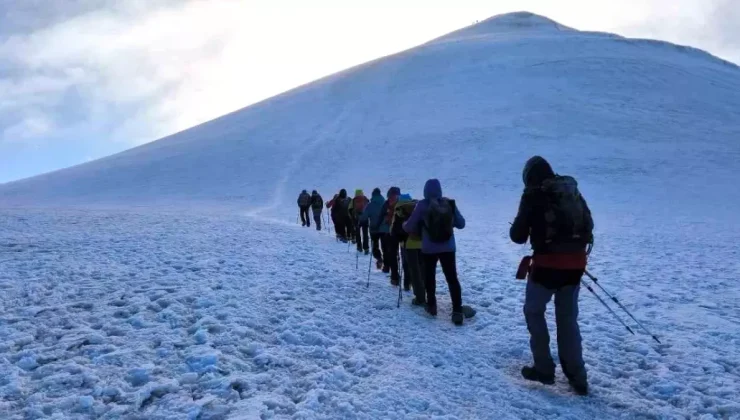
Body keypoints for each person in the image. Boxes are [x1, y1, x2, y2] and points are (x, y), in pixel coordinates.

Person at [509, 155, 593, 396]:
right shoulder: (570, 189)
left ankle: (544, 368)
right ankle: (578, 376)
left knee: (534, 311)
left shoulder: (533, 194)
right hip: (575, 265)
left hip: (546, 266)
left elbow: (517, 235)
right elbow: (589, 224)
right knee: (567, 319)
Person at [403, 179, 466, 325]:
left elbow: (410, 226)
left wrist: (404, 224)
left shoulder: (421, 205)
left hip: (429, 249)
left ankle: (431, 306)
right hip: (449, 248)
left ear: (425, 191)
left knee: (429, 276)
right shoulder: (449, 203)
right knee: (452, 278)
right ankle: (457, 310)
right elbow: (461, 224)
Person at [392, 194, 424, 300]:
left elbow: (395, 229)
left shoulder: (399, 210)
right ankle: (422, 289)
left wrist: (396, 240)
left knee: (407, 264)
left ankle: (407, 285)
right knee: (420, 266)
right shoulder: (417, 207)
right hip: (421, 242)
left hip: (406, 243)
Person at [379, 187, 401, 285]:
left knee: (392, 254)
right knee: (402, 256)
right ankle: (407, 281)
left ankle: (395, 277)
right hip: (405, 232)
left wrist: (377, 227)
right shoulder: (404, 202)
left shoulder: (386, 204)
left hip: (391, 232)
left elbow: (380, 217)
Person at [364, 188, 386, 269]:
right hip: (385, 229)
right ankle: (386, 265)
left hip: (374, 229)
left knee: (375, 246)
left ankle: (379, 258)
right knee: (385, 246)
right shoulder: (385, 203)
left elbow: (364, 217)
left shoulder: (370, 205)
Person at [349, 189, 370, 254]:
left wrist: (352, 217)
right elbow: (369, 208)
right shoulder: (366, 199)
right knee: (365, 234)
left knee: (358, 233)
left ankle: (359, 247)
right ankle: (366, 248)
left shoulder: (353, 200)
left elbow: (349, 209)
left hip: (357, 219)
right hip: (365, 219)